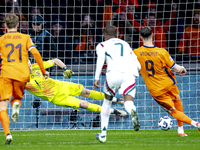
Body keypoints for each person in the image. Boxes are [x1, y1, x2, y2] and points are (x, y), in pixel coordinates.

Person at [133, 26, 200, 137]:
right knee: (177, 99)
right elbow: (176, 68)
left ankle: (196, 124)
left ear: (141, 37)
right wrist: (182, 69)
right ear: (152, 35)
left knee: (173, 111)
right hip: (168, 83)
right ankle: (180, 130)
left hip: (156, 89)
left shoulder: (135, 53)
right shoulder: (162, 52)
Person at [10, 58, 126, 118]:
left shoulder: (37, 67)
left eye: (30, 64)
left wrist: (65, 68)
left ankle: (116, 100)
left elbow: (55, 61)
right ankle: (113, 111)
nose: (30, 66)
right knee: (84, 104)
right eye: (27, 66)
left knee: (86, 91)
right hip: (57, 97)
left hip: (61, 85)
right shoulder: (23, 81)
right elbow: (14, 93)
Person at [0, 13, 49, 145]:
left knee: (2, 105)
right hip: (22, 74)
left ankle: (8, 134)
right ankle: (16, 104)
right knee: (16, 97)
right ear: (17, 25)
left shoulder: (2, 39)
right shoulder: (26, 37)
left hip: (6, 73)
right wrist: (43, 71)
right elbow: (36, 54)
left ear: (5, 25)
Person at [94, 25, 141, 143]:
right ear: (117, 35)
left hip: (113, 74)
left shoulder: (102, 45)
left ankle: (103, 135)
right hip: (129, 75)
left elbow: (100, 60)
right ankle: (132, 111)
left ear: (104, 35)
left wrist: (96, 78)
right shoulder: (125, 44)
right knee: (128, 102)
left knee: (106, 103)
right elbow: (138, 64)